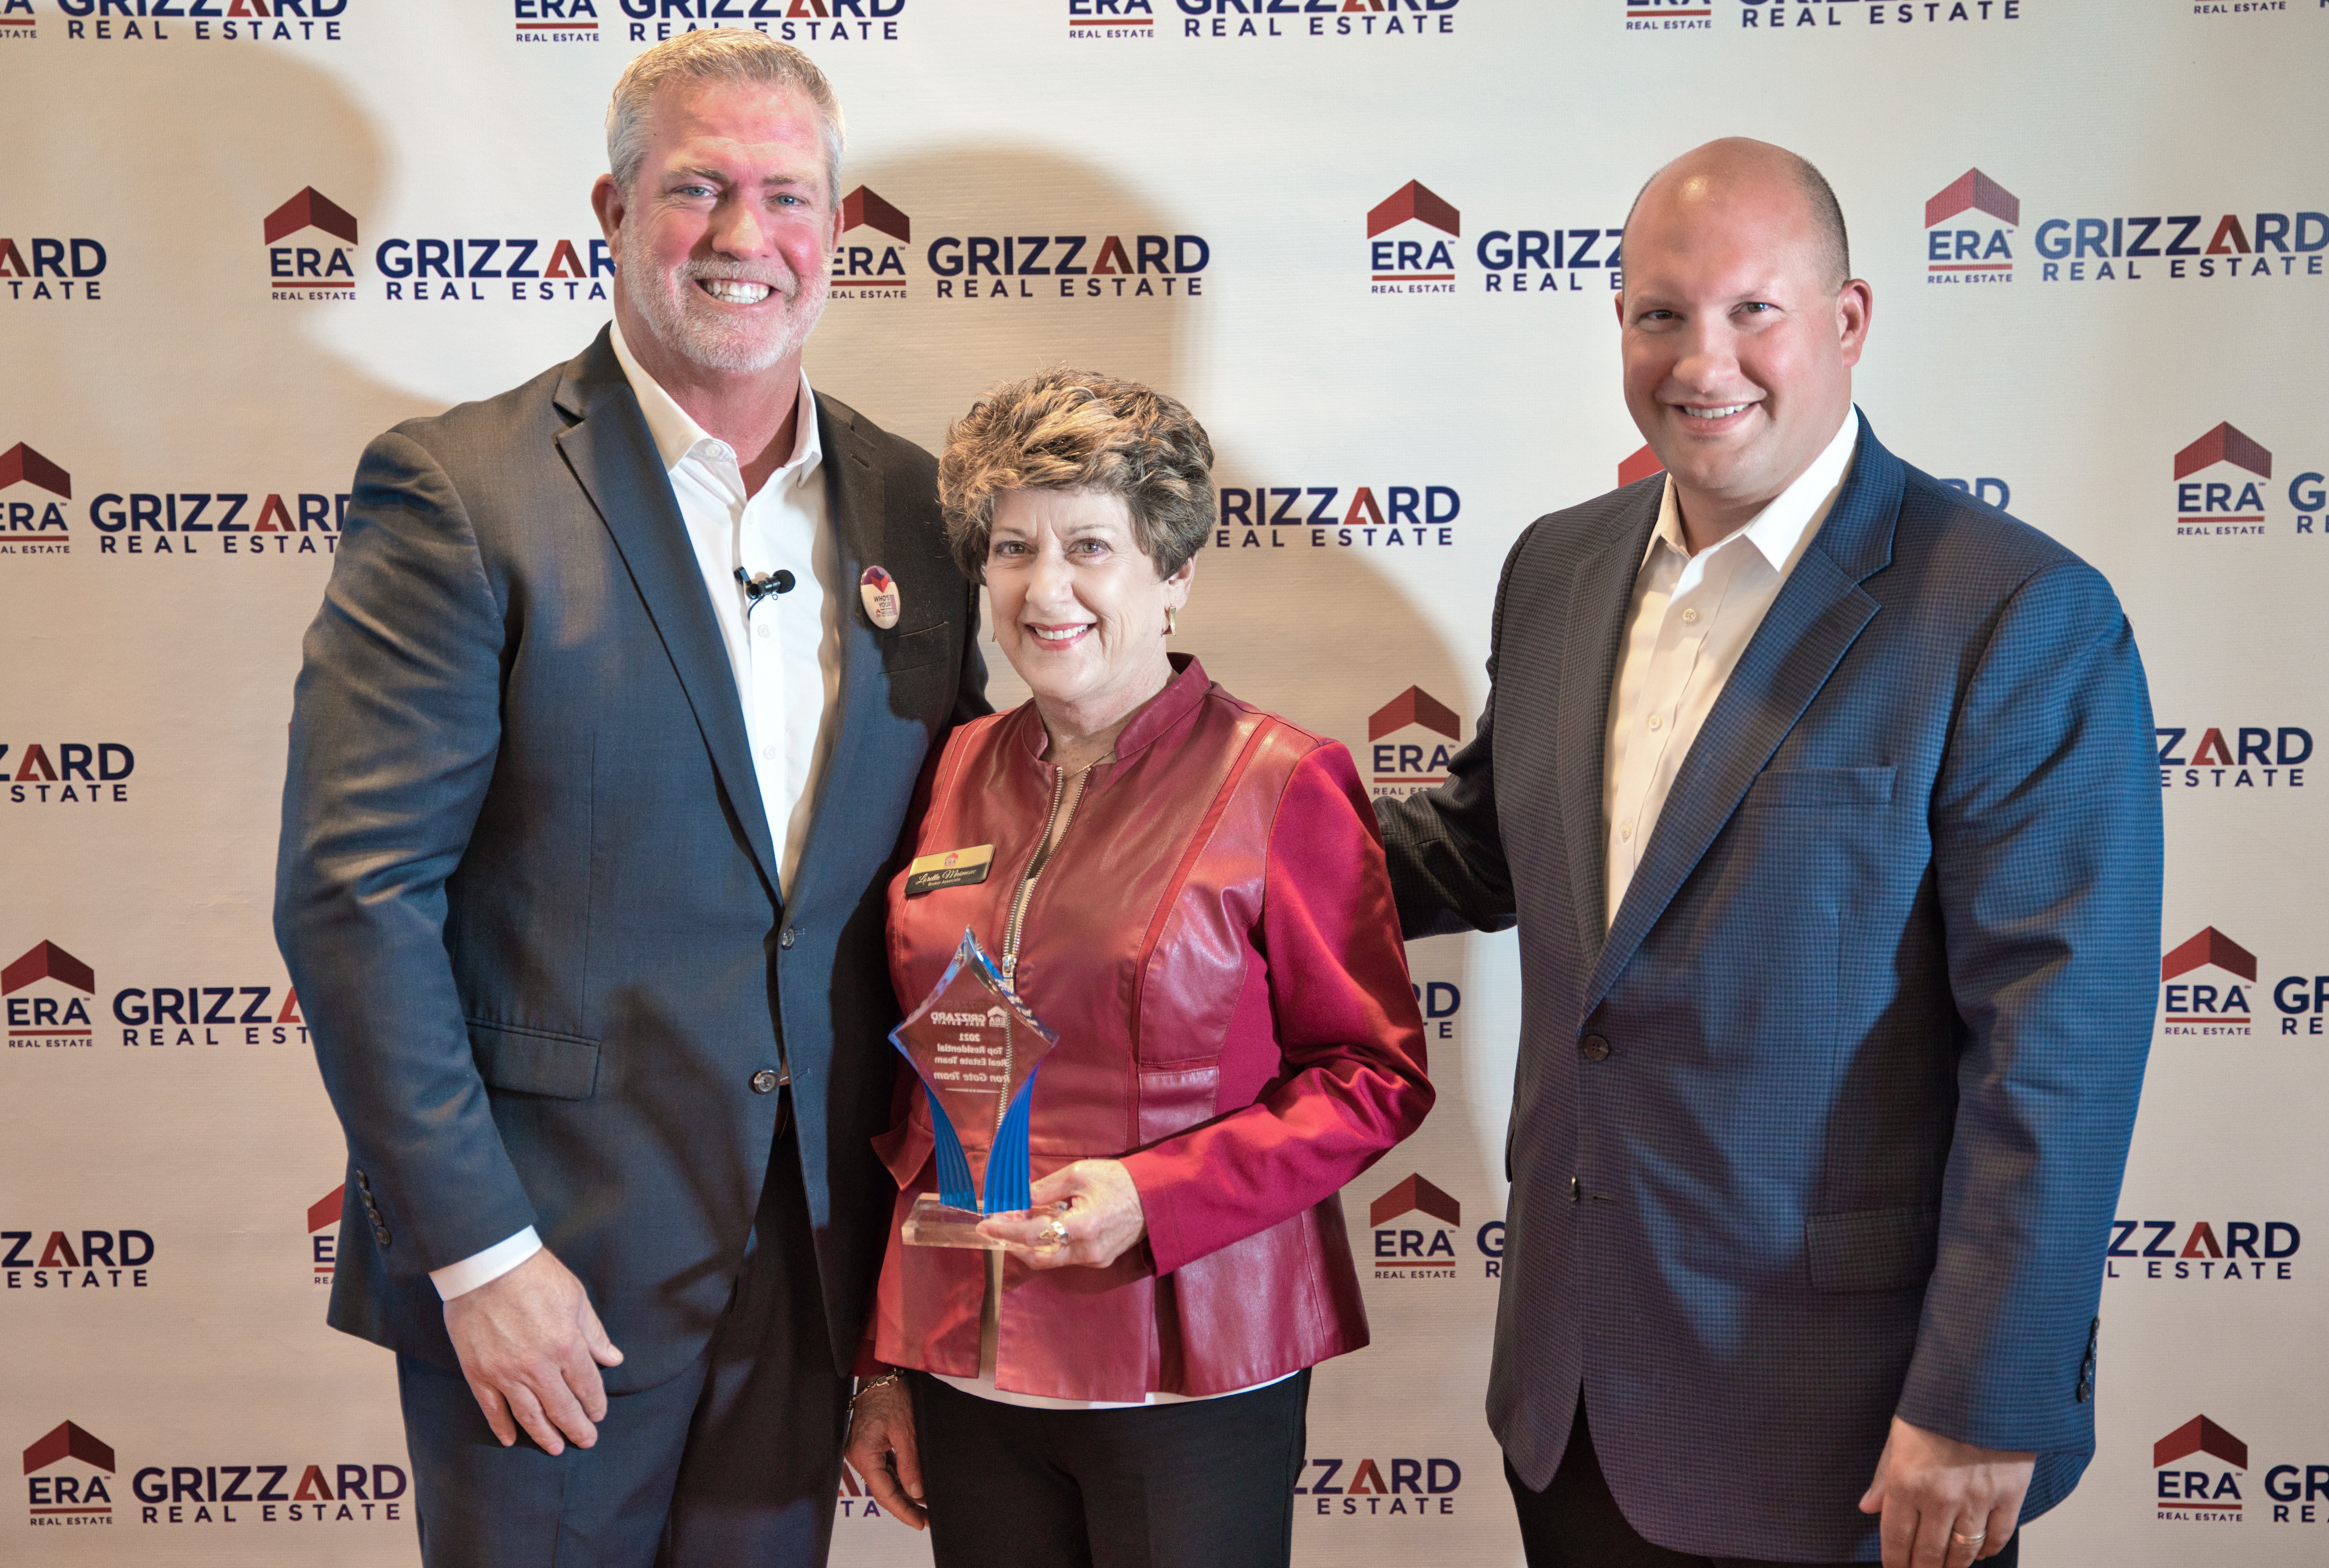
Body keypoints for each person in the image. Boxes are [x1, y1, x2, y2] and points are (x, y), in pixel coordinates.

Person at [1376, 138, 2161, 1568]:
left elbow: (2058, 1043)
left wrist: (1985, 1396)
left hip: (1857, 1432)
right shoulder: (1555, 565)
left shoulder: (2010, 612)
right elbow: (1482, 850)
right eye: (1658, 313)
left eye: (1754, 311)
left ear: (1847, 322)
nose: (1700, 361)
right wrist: (1184, 829)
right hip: (1574, 1400)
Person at [272, 32, 987, 1567]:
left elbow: (962, 894)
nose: (744, 238)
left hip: (809, 1280)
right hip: (548, 1281)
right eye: (696, 190)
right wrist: (478, 1256)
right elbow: (354, 899)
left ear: (839, 232)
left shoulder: (922, 512)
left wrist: (909, 1300)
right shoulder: (461, 494)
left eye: (786, 197)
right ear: (609, 209)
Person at [839, 368, 1435, 1568]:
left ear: (1172, 576)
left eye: (1089, 547)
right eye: (1012, 548)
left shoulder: (1280, 780)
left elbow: (1372, 1074)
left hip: (1187, 1366)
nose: (1044, 589)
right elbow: (910, 1089)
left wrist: (1151, 1200)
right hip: (965, 1365)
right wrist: (883, 1360)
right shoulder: (941, 768)